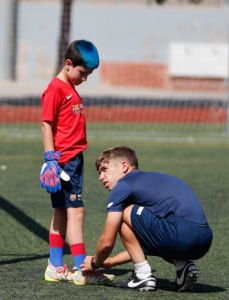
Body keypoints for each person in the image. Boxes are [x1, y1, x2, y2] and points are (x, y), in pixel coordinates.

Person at [80, 145, 213, 292]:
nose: (100, 177)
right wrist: (110, 262)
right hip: (204, 240)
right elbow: (142, 244)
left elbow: (107, 241)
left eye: (104, 169)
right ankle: (182, 266)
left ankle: (143, 276)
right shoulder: (154, 181)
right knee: (149, 227)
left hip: (179, 234)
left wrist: (95, 263)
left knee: (123, 211)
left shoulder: (123, 186)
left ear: (124, 166)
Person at [39, 40, 114, 285]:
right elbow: (46, 124)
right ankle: (83, 270)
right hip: (64, 163)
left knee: (61, 212)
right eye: (83, 73)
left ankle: (54, 266)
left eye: (88, 75)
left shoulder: (69, 86)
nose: (85, 78)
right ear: (68, 64)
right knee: (76, 212)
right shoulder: (56, 89)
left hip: (72, 160)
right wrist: (50, 159)